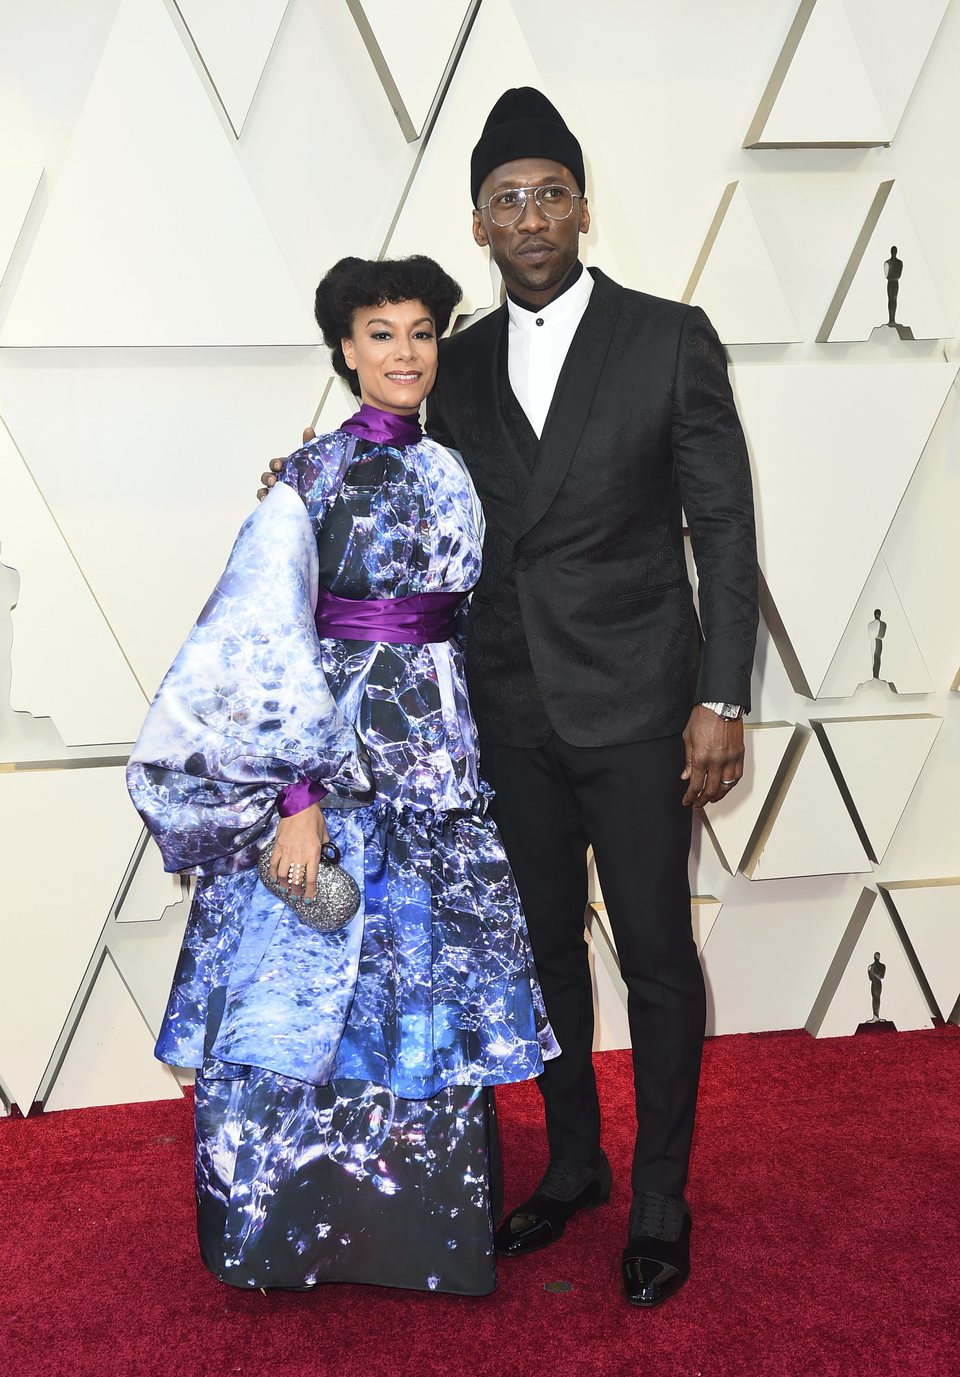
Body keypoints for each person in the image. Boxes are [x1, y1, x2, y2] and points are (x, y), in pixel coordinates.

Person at [261, 89, 758, 1309]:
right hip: (501, 718)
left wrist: (724, 698)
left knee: (654, 957)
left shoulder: (670, 336)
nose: (528, 216)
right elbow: (392, 457)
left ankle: (658, 1197)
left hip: (642, 707)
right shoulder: (455, 357)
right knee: (538, 958)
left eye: (547, 193)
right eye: (503, 200)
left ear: (582, 206)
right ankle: (578, 1164)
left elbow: (726, 530)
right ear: (478, 224)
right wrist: (296, 479)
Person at [128, 253, 558, 1297]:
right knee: (302, 997)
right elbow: (259, 646)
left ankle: (414, 1237)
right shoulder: (307, 482)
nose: (404, 352)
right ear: (342, 350)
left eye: (420, 332)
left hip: (437, 774)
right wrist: (295, 801)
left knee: (412, 994)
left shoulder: (448, 466)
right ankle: (281, 1231)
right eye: (380, 333)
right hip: (335, 781)